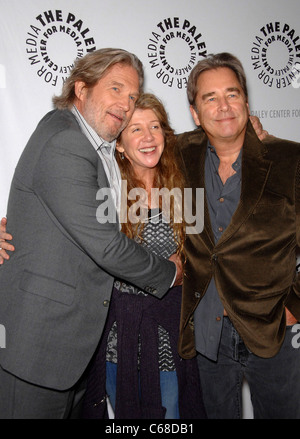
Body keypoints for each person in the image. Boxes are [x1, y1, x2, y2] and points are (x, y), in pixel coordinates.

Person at [0, 48, 183, 419]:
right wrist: (171, 272)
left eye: (132, 96)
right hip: (40, 347)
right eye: (115, 89)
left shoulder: (95, 147)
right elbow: (107, 246)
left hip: (74, 347)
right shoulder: (66, 141)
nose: (125, 104)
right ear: (81, 89)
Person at [175, 52, 300, 419]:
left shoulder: (290, 162)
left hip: (274, 330)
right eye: (209, 98)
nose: (223, 106)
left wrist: (294, 305)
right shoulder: (178, 155)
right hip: (207, 337)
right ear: (196, 113)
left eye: (232, 94)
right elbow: (123, 159)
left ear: (246, 101)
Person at [81, 93, 206, 419]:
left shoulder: (185, 190)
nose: (148, 137)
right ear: (119, 144)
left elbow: (205, 258)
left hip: (170, 340)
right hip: (116, 342)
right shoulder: (104, 194)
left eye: (155, 126)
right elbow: (67, 241)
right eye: (135, 129)